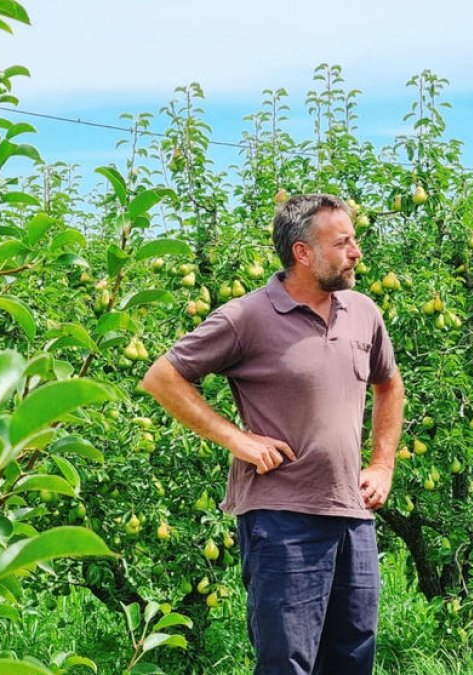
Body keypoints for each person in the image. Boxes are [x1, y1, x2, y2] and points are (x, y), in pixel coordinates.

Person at [142, 193, 405, 674]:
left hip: (353, 513)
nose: (356, 252)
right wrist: (236, 439)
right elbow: (162, 377)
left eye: (355, 240)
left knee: (353, 658)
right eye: (343, 242)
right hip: (281, 519)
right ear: (303, 252)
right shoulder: (248, 316)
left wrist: (382, 463)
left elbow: (389, 385)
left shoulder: (363, 310)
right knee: (287, 662)